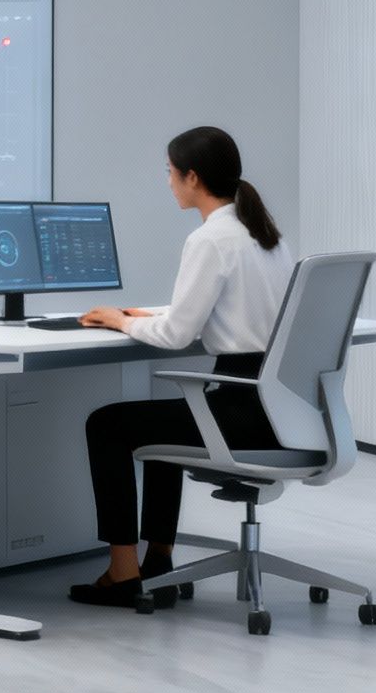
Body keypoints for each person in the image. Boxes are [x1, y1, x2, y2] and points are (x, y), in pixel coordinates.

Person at [68, 126, 294, 607]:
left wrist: (118, 321)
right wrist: (149, 315)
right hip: (277, 408)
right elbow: (226, 314)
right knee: (165, 418)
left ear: (192, 177)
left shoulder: (209, 240)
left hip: (238, 411)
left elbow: (176, 337)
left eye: (170, 172)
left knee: (107, 424)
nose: (167, 181)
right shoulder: (266, 236)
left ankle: (123, 571)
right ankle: (159, 559)